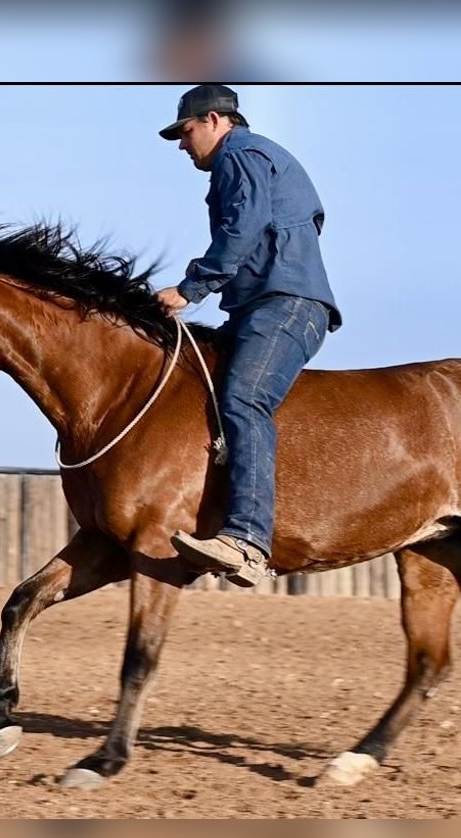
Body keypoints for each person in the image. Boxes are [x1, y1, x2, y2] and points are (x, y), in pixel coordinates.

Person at [155, 83, 341, 588]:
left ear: (216, 121)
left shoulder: (242, 155)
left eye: (186, 131)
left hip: (284, 307)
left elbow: (245, 228)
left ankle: (248, 541)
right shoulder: (251, 159)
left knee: (242, 399)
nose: (181, 143)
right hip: (261, 306)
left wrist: (190, 289)